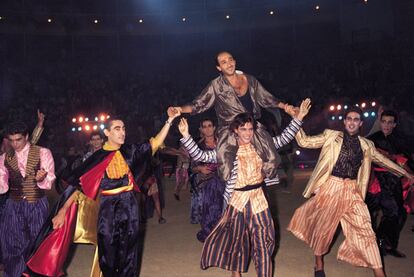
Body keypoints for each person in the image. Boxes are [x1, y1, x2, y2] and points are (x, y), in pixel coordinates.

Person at [24, 111, 180, 277]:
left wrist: (170, 120)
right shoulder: (95, 158)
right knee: (107, 249)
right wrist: (63, 211)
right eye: (117, 129)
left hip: (129, 205)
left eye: (124, 128)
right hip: (107, 207)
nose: (122, 132)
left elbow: (155, 142)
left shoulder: (131, 151)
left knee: (130, 250)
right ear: (107, 133)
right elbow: (78, 187)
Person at [179, 99, 310, 277]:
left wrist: (299, 117)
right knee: (236, 242)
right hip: (237, 202)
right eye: (243, 129)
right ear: (235, 130)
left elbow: (284, 138)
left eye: (250, 129)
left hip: (258, 199)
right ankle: (236, 272)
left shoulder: (262, 145)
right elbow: (200, 154)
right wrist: (186, 136)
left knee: (264, 243)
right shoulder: (226, 150)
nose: (248, 133)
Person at [287, 107, 414, 277]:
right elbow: (304, 142)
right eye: (349, 118)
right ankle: (318, 264)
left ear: (360, 124)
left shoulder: (367, 144)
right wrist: (298, 119)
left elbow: (384, 161)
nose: (352, 121)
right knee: (324, 229)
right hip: (331, 187)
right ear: (345, 122)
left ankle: (380, 273)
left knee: (366, 231)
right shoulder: (331, 136)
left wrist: (406, 173)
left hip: (353, 191)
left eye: (356, 119)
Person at [169, 51, 296, 184]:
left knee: (271, 158)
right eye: (224, 62)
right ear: (219, 68)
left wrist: (286, 107)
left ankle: (259, 184)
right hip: (229, 131)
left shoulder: (250, 80)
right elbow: (198, 104)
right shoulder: (216, 85)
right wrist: (179, 109)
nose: (229, 64)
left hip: (250, 128)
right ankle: (234, 192)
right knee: (226, 167)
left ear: (234, 61)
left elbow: (267, 98)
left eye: (230, 60)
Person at [0, 121, 55, 277]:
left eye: (19, 139)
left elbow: (49, 181)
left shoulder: (43, 152)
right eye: (11, 140)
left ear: (27, 136)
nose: (15, 144)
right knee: (10, 244)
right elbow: (2, 186)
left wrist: (41, 178)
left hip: (36, 204)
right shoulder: (5, 157)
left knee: (37, 245)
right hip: (13, 204)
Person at [365, 110, 413, 257]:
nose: (386, 125)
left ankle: (387, 245)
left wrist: (409, 174)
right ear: (380, 122)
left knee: (397, 213)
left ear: (394, 124)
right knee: (365, 214)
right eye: (384, 121)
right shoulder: (372, 139)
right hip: (375, 181)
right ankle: (370, 246)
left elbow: (404, 161)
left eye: (390, 122)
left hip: (393, 182)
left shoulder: (400, 141)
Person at [190, 118, 226, 242]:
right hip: (208, 184)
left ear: (214, 127)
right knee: (210, 211)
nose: (208, 128)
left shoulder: (223, 143)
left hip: (224, 181)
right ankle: (211, 236)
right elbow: (192, 167)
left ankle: (224, 234)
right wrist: (200, 168)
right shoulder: (198, 146)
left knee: (225, 209)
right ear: (201, 129)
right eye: (204, 126)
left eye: (210, 125)